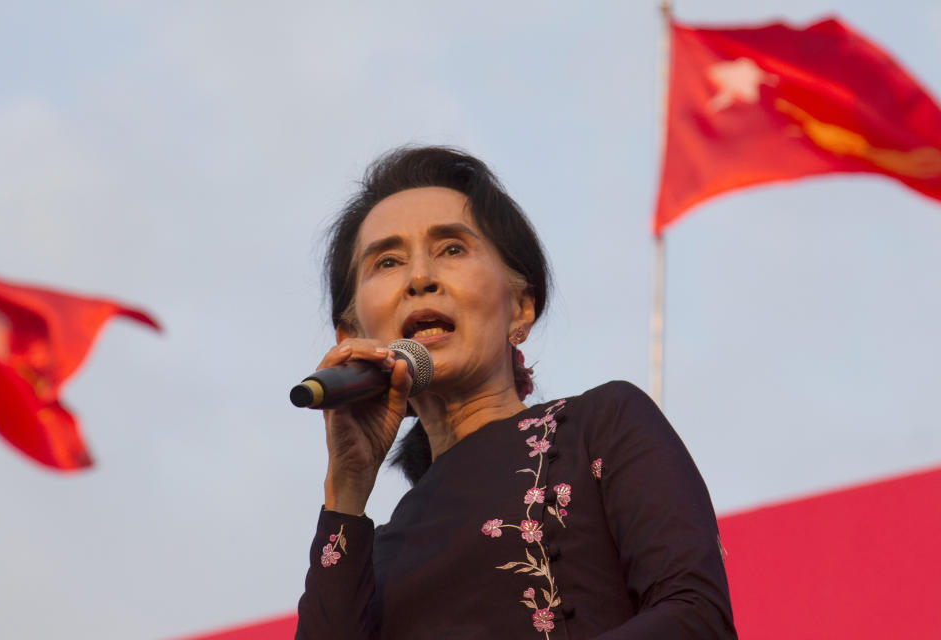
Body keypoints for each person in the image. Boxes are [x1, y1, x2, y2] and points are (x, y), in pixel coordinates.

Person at [295, 146, 736, 639]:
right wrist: (347, 491)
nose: (420, 278)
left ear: (522, 308)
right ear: (350, 335)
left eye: (452, 249)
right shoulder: (369, 561)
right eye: (388, 261)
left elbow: (695, 617)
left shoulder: (602, 425)